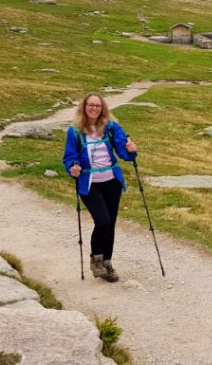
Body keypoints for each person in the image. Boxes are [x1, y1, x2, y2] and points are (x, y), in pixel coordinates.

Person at [62, 93, 138, 282]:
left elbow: (123, 150)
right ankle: (96, 260)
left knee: (110, 223)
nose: (94, 108)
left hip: (112, 182)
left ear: (102, 108)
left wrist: (131, 151)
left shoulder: (111, 127)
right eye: (91, 105)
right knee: (103, 220)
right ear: (84, 107)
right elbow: (70, 156)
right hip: (89, 183)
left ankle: (107, 263)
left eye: (98, 105)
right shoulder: (75, 131)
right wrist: (73, 166)